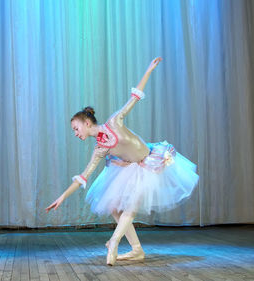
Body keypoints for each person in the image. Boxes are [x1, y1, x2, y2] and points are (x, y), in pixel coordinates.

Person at [46, 57, 199, 266]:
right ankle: (136, 249)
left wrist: (148, 71)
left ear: (87, 122)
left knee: (130, 208)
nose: (75, 133)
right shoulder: (99, 149)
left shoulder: (114, 121)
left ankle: (114, 242)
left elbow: (134, 97)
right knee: (115, 208)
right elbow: (84, 176)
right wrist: (62, 196)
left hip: (150, 162)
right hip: (130, 168)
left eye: (76, 128)